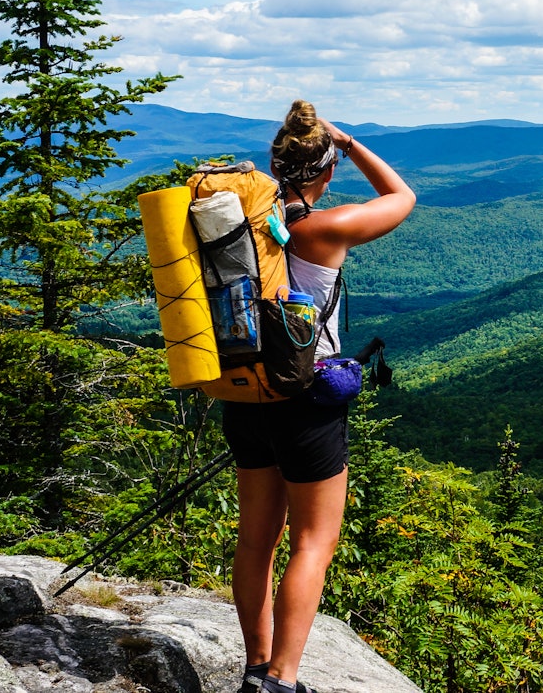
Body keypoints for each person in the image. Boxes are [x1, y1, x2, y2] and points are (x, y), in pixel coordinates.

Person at [223, 100, 415, 693]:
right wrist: (349, 142)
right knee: (313, 541)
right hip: (304, 400)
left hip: (245, 391)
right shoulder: (324, 229)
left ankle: (257, 668)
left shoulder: (243, 228)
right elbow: (402, 196)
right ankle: (282, 680)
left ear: (275, 168)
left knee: (256, 539)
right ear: (326, 171)